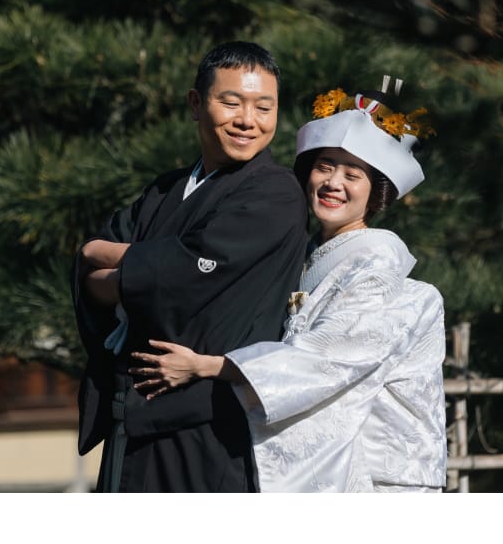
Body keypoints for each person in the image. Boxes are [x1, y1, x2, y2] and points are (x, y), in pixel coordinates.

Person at [130, 82, 448, 492]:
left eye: (353, 175)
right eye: (324, 167)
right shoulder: (307, 252)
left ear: (375, 194)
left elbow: (323, 359)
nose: (333, 183)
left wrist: (206, 365)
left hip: (372, 473)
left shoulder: (378, 264)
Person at [72, 41, 309, 492]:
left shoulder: (276, 194)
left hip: (212, 423)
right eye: (231, 102)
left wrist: (105, 262)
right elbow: (92, 276)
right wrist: (123, 269)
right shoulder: (164, 191)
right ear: (196, 104)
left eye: (264, 107)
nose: (248, 120)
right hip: (133, 415)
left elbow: (181, 277)